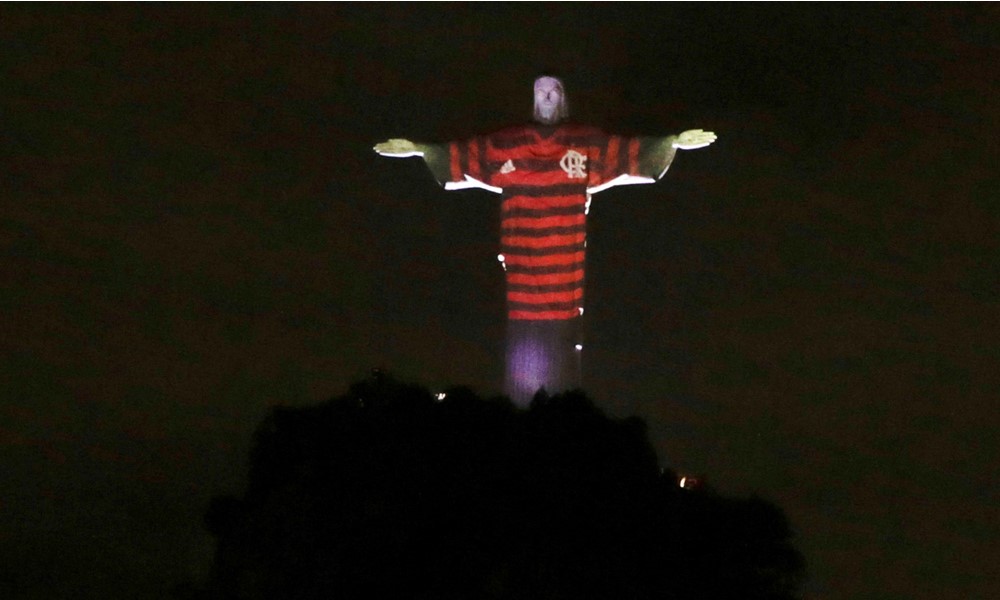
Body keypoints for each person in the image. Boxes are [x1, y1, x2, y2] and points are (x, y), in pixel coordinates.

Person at [375, 76, 716, 405]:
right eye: (541, 90)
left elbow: (623, 155)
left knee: (562, 362)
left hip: (563, 278)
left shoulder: (582, 142)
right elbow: (469, 156)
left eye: (554, 90)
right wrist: (421, 150)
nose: (548, 96)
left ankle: (559, 423)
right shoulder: (509, 143)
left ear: (564, 97)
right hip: (522, 273)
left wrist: (670, 142)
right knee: (523, 360)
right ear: (533, 99)